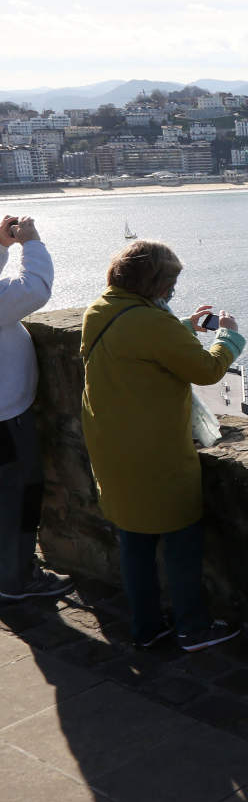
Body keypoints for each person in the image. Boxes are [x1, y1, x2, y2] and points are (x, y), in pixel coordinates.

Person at [80, 240, 245, 651]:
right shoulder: (154, 324)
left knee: (134, 544)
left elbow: (140, 345)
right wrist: (228, 338)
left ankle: (147, 628)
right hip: (156, 456)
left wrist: (184, 327)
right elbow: (206, 370)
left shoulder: (102, 308)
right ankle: (192, 628)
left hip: (111, 448)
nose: (171, 291)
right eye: (169, 283)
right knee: (181, 543)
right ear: (153, 283)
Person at [0, 215, 74, 601]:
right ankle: (14, 578)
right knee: (19, 494)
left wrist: (0, 247)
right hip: (5, 418)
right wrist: (32, 243)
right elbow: (35, 289)